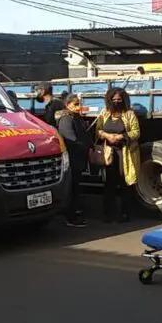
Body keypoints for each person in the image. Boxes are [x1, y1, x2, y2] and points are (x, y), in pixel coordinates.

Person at [95, 87, 140, 223]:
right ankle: (108, 213)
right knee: (109, 183)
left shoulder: (129, 114)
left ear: (124, 100)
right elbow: (98, 130)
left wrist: (121, 136)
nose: (116, 102)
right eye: (113, 99)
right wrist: (107, 135)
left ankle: (125, 213)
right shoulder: (104, 113)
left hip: (125, 153)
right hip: (109, 153)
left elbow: (136, 132)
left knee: (125, 182)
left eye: (119, 99)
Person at [57, 93, 92, 228]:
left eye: (79, 104)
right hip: (73, 159)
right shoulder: (66, 119)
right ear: (68, 105)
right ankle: (71, 216)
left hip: (79, 158)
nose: (78, 107)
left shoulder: (76, 118)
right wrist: (84, 146)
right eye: (75, 104)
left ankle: (75, 213)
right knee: (73, 188)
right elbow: (71, 139)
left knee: (77, 187)